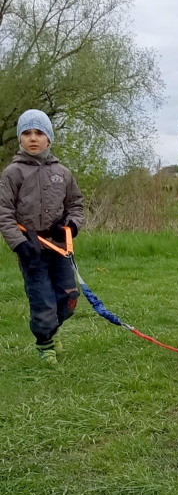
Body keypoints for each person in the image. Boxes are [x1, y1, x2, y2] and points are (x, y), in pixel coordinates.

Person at [0, 110, 84, 367]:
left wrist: (70, 226)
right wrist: (19, 243)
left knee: (69, 298)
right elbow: (4, 212)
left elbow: (76, 205)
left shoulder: (63, 173)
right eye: (27, 133)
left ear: (49, 138)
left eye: (39, 133)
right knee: (42, 300)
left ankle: (52, 329)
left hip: (59, 248)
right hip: (31, 248)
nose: (33, 138)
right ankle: (45, 342)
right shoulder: (12, 173)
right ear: (20, 138)